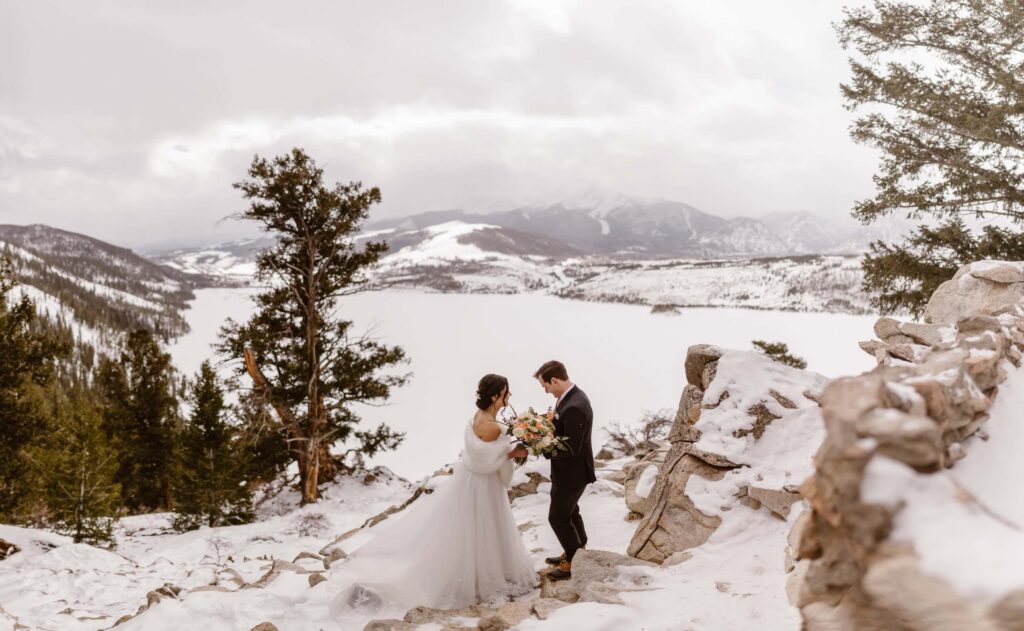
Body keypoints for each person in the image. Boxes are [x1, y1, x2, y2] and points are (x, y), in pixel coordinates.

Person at [329, 374, 536, 619]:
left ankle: (479, 572)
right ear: (495, 396)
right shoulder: (491, 426)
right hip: (483, 484)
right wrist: (517, 451)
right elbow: (487, 460)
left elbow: (483, 453)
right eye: (506, 392)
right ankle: (484, 578)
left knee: (471, 531)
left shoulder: (481, 418)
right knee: (484, 529)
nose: (509, 396)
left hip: (471, 480)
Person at [534, 360, 596, 581]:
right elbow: (561, 426)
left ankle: (572, 561)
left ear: (555, 380)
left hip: (574, 472)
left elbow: (571, 447)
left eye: (546, 386)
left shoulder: (576, 405)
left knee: (558, 517)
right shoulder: (567, 397)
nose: (545, 390)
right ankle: (578, 550)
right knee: (570, 511)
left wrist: (539, 443)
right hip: (565, 472)